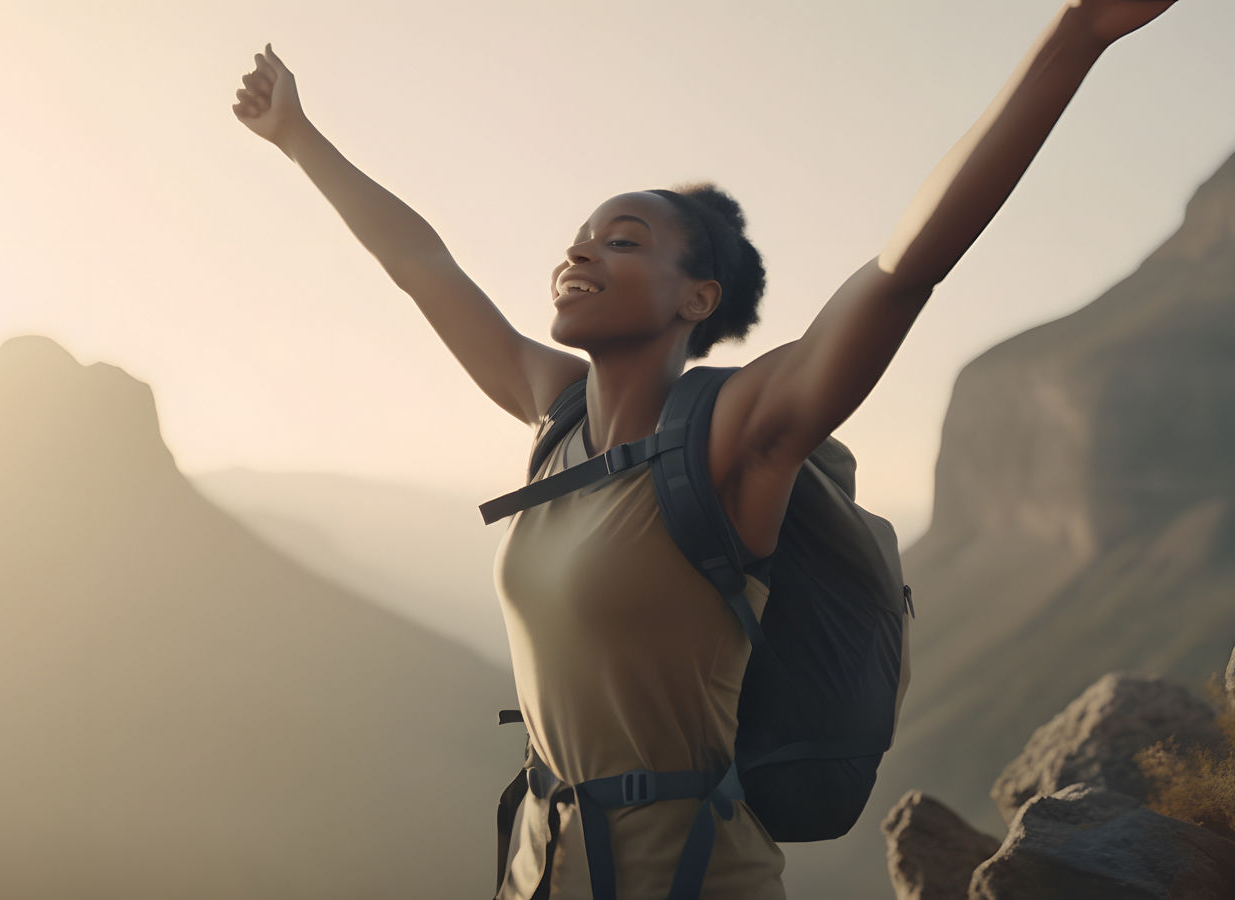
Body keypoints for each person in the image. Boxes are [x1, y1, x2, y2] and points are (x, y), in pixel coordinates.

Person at [229, 3, 1183, 896]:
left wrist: (1073, 35)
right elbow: (422, 267)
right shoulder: (557, 418)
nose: (583, 253)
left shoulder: (737, 438)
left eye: (625, 240)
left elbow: (904, 272)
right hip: (540, 867)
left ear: (697, 298)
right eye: (579, 238)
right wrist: (297, 138)